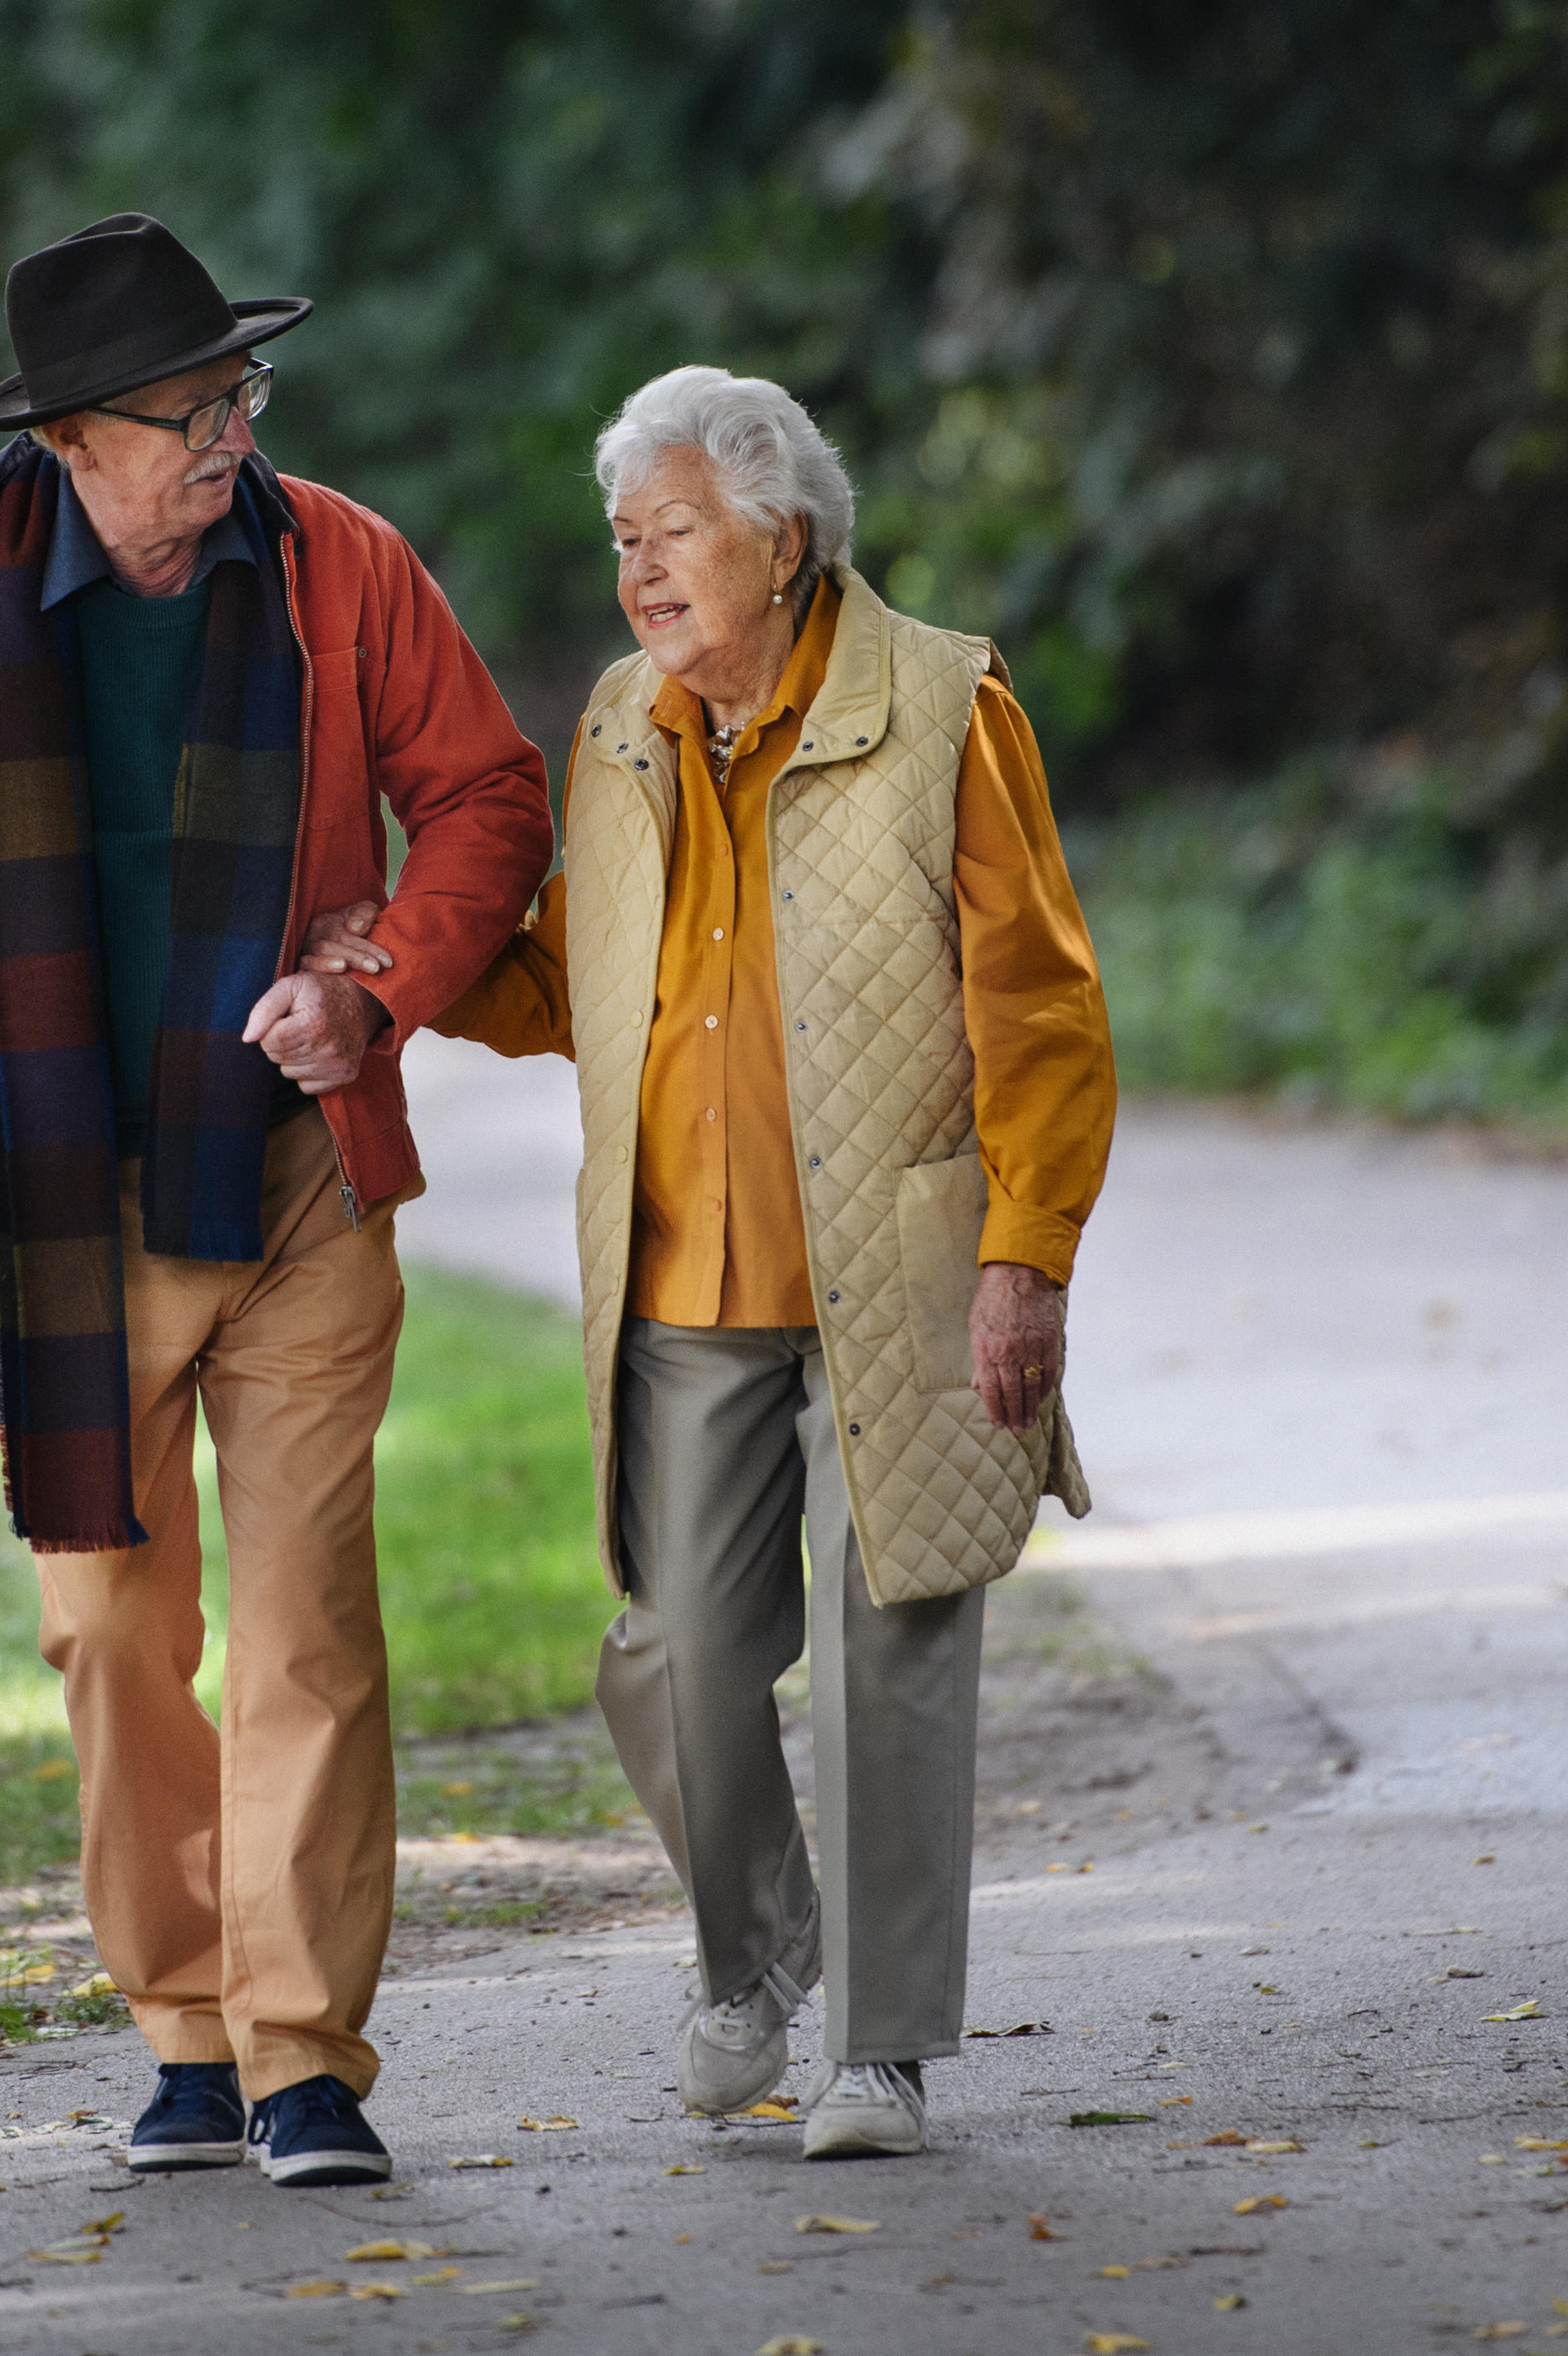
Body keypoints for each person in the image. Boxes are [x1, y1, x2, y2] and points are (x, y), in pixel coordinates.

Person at [0, 214, 550, 2187]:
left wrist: (380, 978)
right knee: (111, 1636)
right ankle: (183, 2022)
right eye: (188, 410)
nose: (232, 432)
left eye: (242, 391)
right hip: (57, 1201)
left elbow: (490, 793)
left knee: (311, 1614)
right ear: (71, 436)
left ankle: (303, 2047)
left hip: (297, 1172)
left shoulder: (340, 562)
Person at [301, 364, 1113, 2160]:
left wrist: (1025, 1259)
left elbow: (1040, 1009)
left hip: (895, 1269)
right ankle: (760, 1956)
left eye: (670, 534)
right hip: (685, 1276)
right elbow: (564, 986)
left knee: (890, 1636)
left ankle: (883, 2049)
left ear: (783, 538)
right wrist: (398, 968)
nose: (639, 576)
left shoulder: (940, 706)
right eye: (623, 542)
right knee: (670, 1651)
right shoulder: (620, 727)